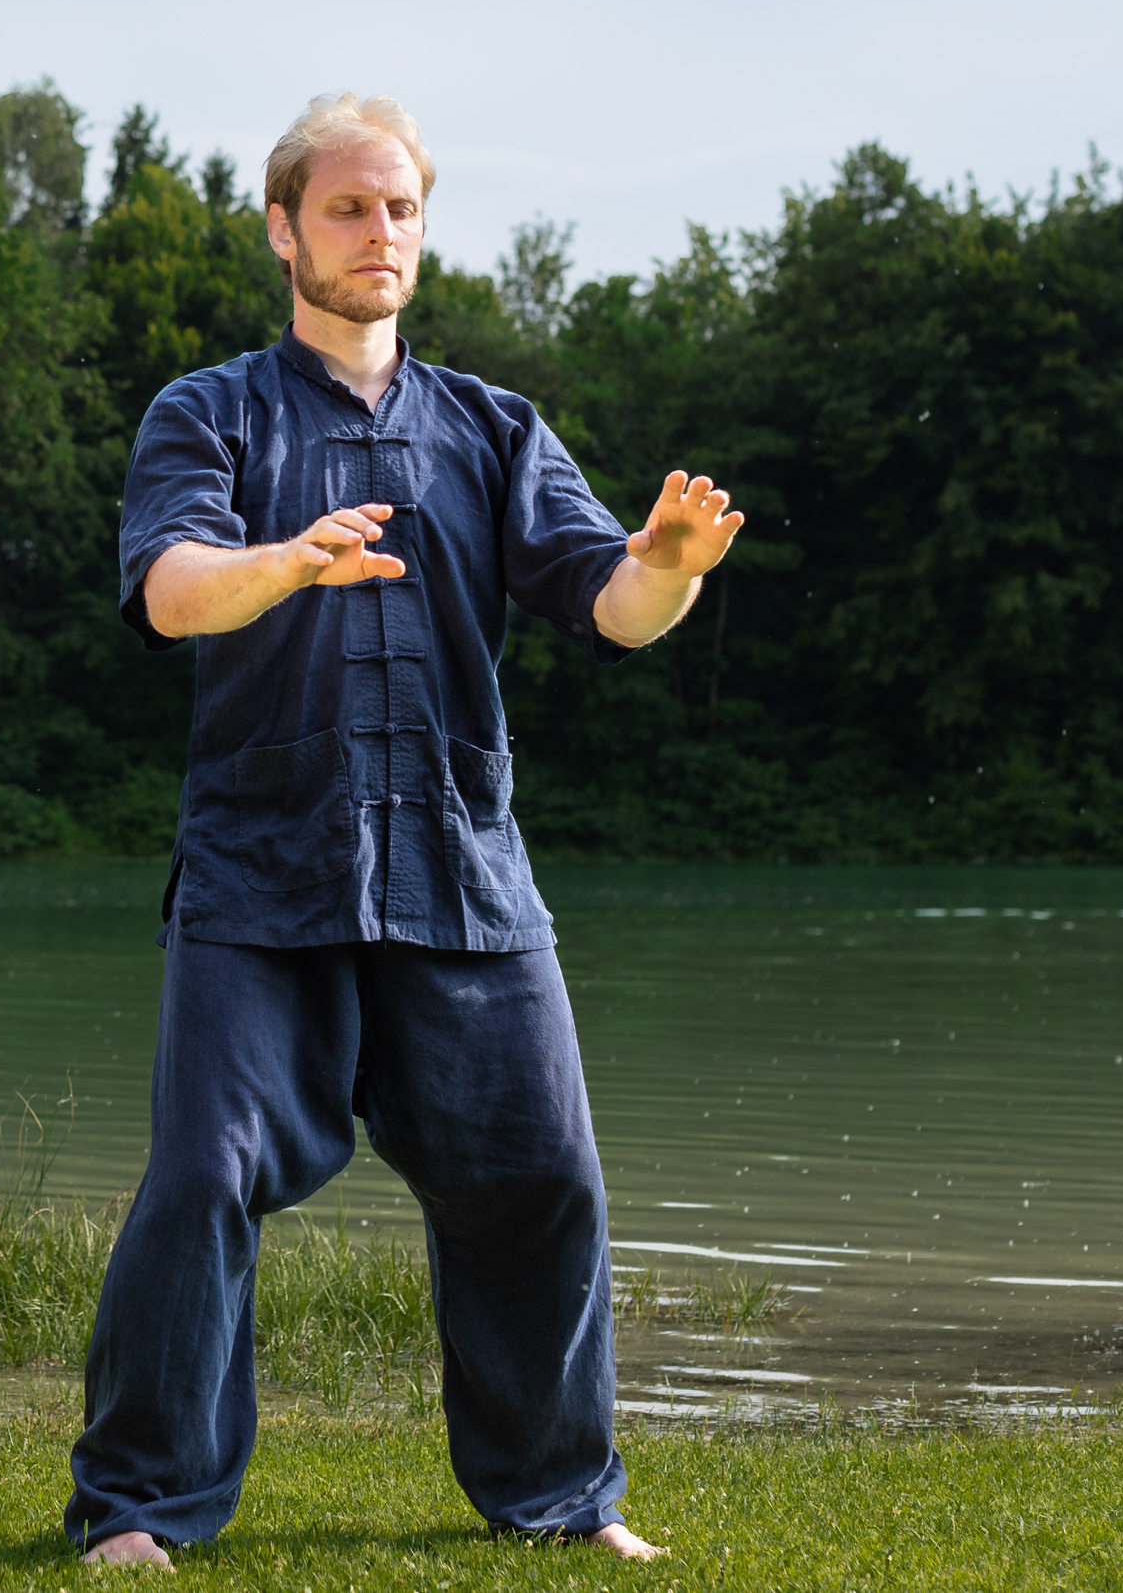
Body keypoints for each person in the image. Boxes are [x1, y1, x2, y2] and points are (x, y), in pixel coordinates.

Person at [65, 95, 743, 1567]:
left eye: (402, 212)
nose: (381, 236)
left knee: (544, 1179)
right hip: (262, 870)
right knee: (202, 1179)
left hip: (463, 876)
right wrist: (284, 562)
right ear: (283, 228)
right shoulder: (210, 411)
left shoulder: (495, 428)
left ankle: (559, 1496)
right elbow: (172, 588)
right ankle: (142, 1505)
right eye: (350, 210)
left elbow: (612, 606)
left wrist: (672, 567)